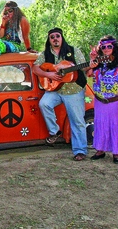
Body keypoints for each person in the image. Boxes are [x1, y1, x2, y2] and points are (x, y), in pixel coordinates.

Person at [32, 28, 90, 161]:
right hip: (56, 89)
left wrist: (91, 64)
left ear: (62, 37)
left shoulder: (73, 51)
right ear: (49, 40)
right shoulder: (45, 53)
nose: (55, 39)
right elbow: (35, 68)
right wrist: (48, 74)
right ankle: (55, 131)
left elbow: (84, 67)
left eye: (57, 36)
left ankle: (80, 150)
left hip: (74, 90)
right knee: (44, 103)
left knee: (77, 121)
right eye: (52, 37)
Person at [85, 36, 118, 164]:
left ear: (114, 48)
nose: (106, 49)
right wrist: (92, 61)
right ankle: (100, 150)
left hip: (115, 101)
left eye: (109, 46)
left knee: (116, 126)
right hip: (100, 101)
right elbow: (88, 74)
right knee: (101, 125)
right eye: (103, 47)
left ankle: (116, 153)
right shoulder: (99, 63)